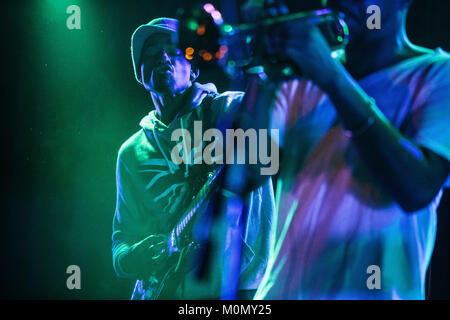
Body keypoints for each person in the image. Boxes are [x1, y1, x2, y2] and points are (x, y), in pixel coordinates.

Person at [254, 0, 450, 299]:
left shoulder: (438, 74)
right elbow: (245, 175)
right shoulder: (300, 75)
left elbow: (417, 188)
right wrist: (263, 76)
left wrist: (332, 77)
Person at [112, 18, 275, 300]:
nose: (162, 57)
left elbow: (274, 113)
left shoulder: (230, 109)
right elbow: (121, 241)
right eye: (150, 53)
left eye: (174, 50)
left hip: (237, 289)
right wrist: (136, 256)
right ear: (140, 74)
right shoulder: (131, 153)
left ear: (195, 68)